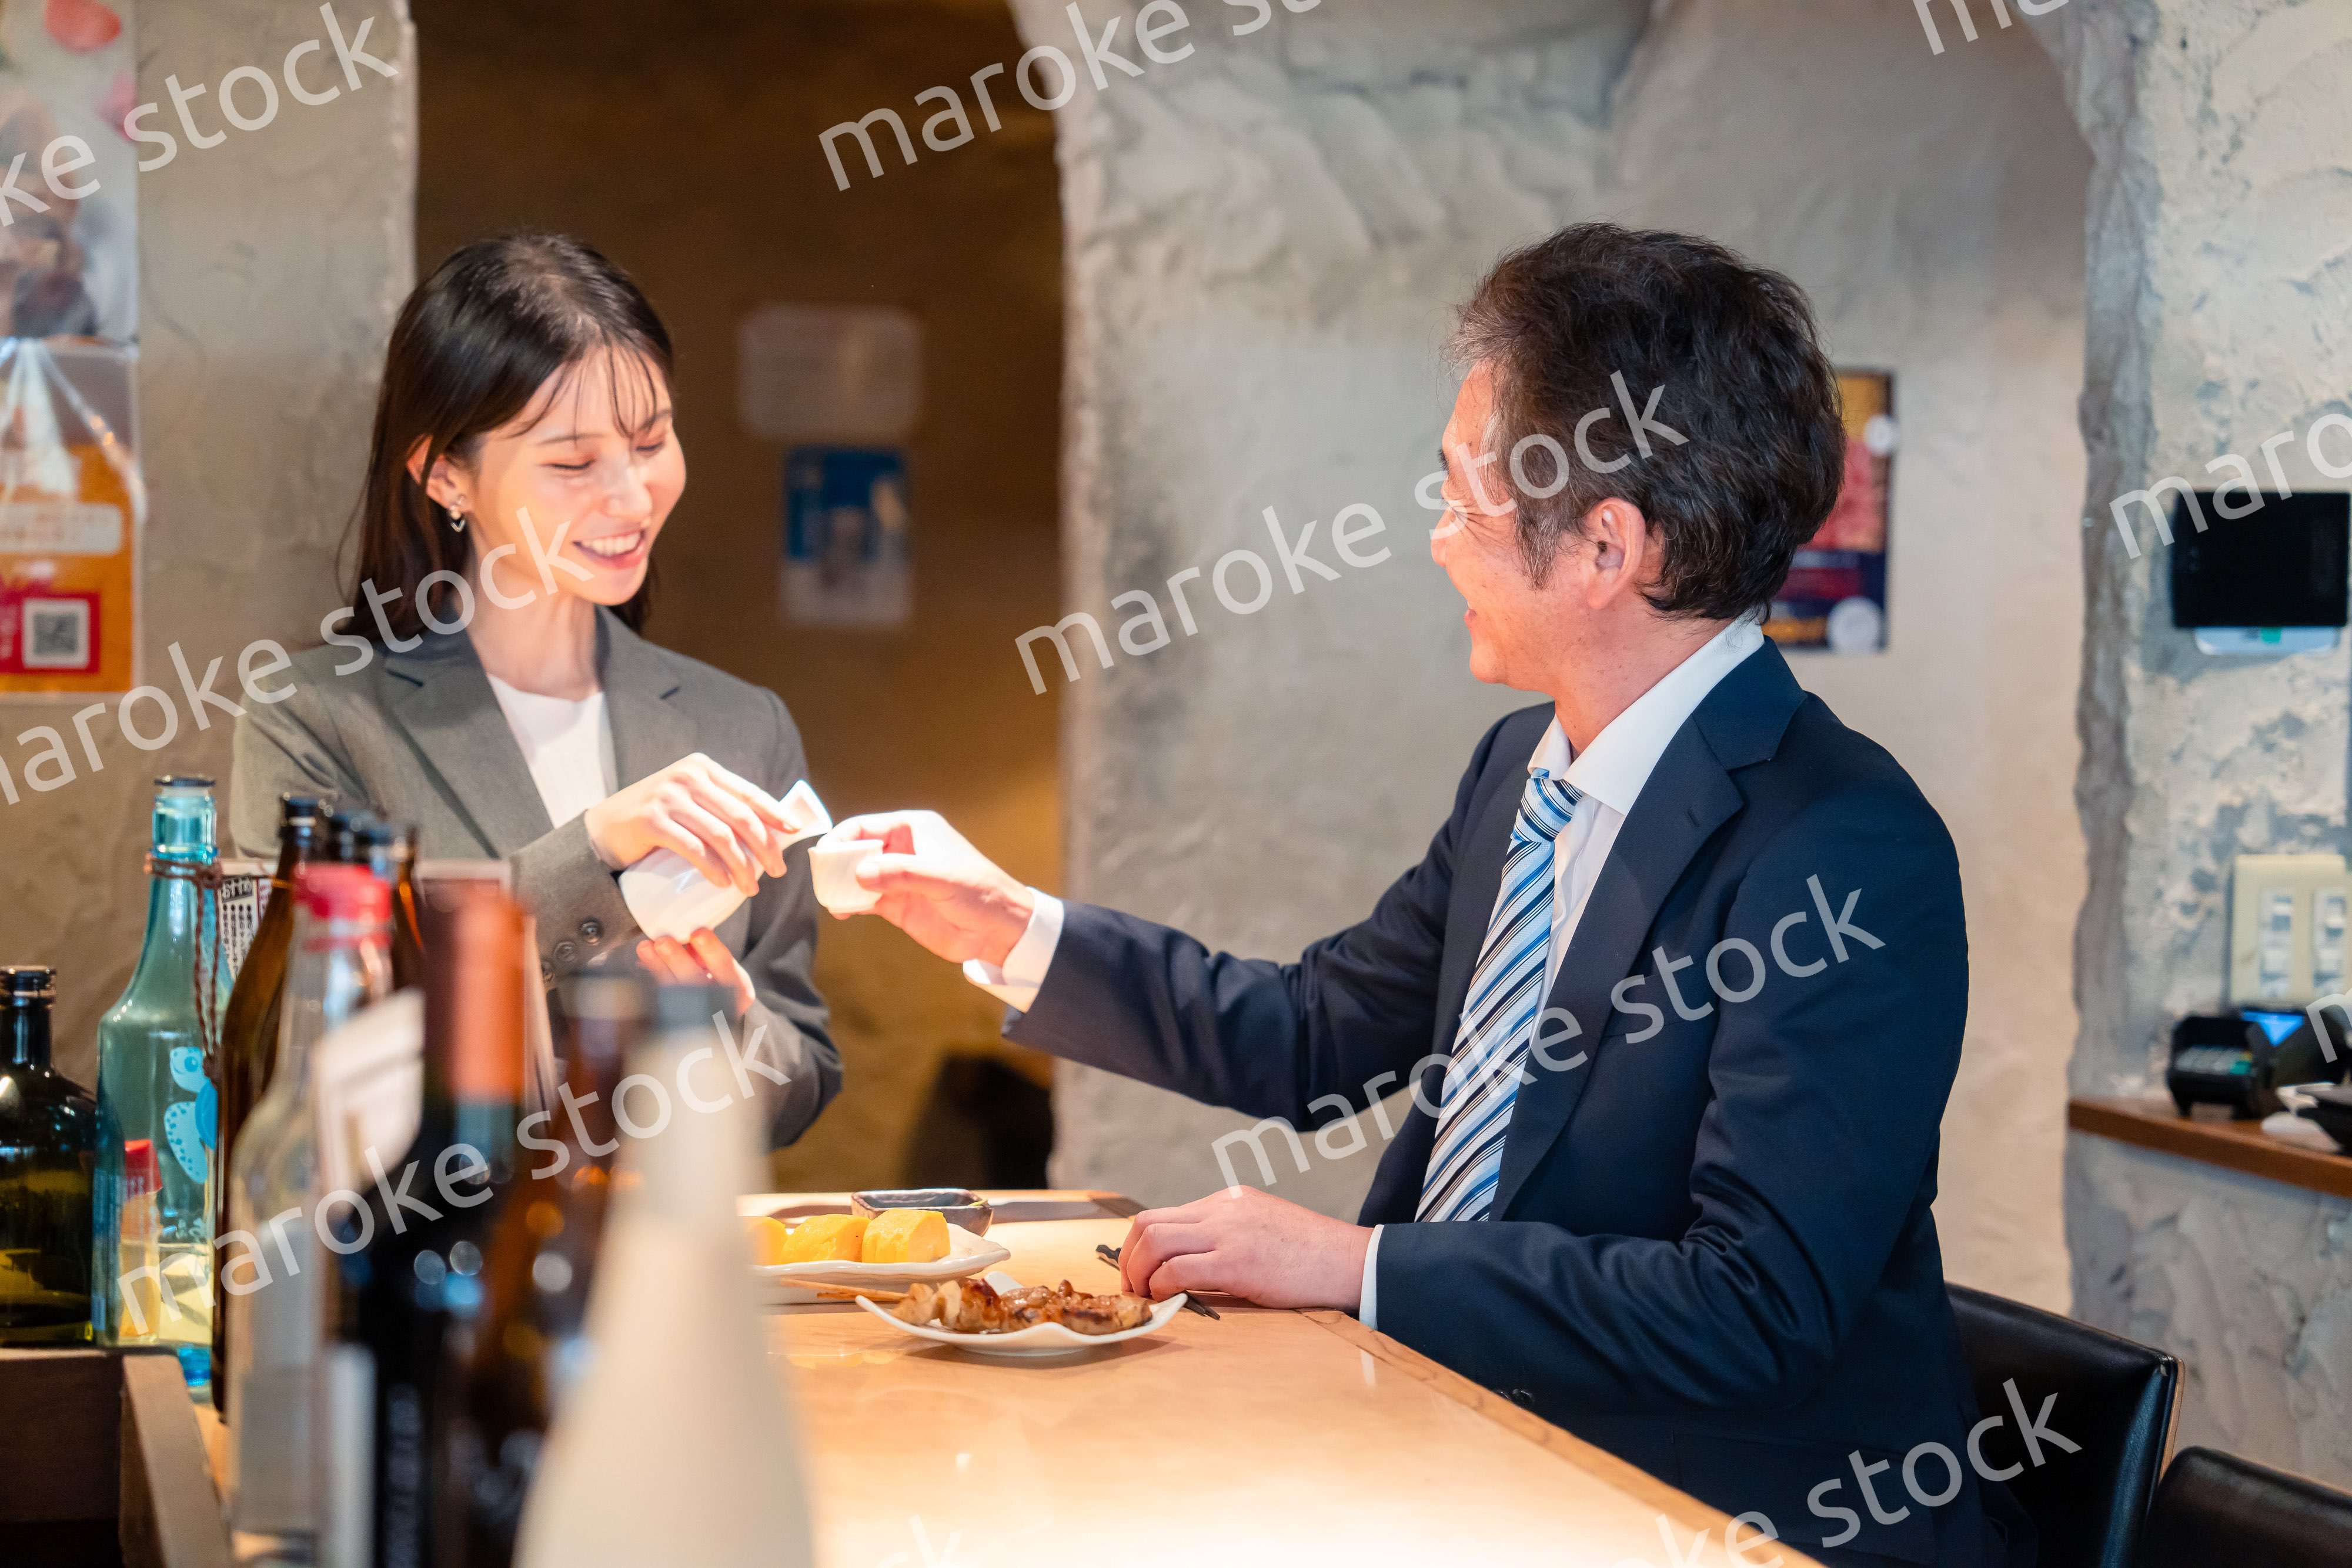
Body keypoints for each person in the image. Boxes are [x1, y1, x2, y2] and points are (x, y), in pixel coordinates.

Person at [838, 225, 2030, 1567]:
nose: (1434, 543)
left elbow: (1747, 1309)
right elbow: (1312, 1029)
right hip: (1466, 1456)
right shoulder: (1520, 763)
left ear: (1604, 547)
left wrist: (1354, 1266)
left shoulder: (1843, 845)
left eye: (1458, 499)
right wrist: (1008, 927)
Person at [230, 233, 838, 1146]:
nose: (632, 498)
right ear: (445, 474)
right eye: (572, 462)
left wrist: (724, 1026)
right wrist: (592, 852)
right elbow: (300, 1046)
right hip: (431, 1265)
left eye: (651, 440)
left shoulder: (741, 724)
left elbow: (802, 1079)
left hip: (670, 1260)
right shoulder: (316, 718)